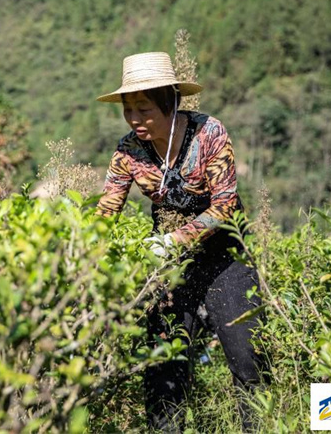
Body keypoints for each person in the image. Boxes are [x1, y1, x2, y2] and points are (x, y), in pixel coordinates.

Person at [95, 52, 265, 433]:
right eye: (129, 110)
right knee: (162, 365)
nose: (136, 119)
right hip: (169, 265)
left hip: (226, 256)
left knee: (247, 356)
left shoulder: (210, 134)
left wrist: (176, 238)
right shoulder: (128, 152)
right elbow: (105, 212)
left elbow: (224, 205)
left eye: (145, 109)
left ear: (170, 102)